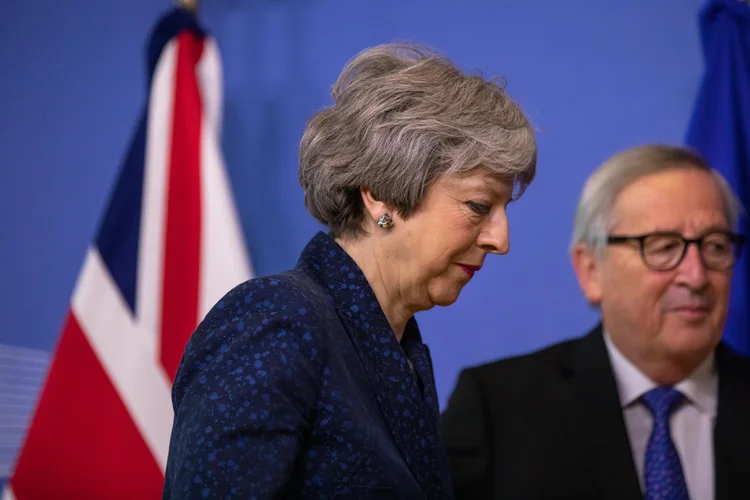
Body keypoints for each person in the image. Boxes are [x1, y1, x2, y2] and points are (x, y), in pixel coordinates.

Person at [163, 42, 537, 499]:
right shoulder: (275, 320)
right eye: (478, 206)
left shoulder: (402, 350)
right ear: (382, 195)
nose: (501, 239)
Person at [440, 144, 750, 500]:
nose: (696, 277)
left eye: (715, 247)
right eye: (663, 247)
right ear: (591, 270)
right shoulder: (497, 410)